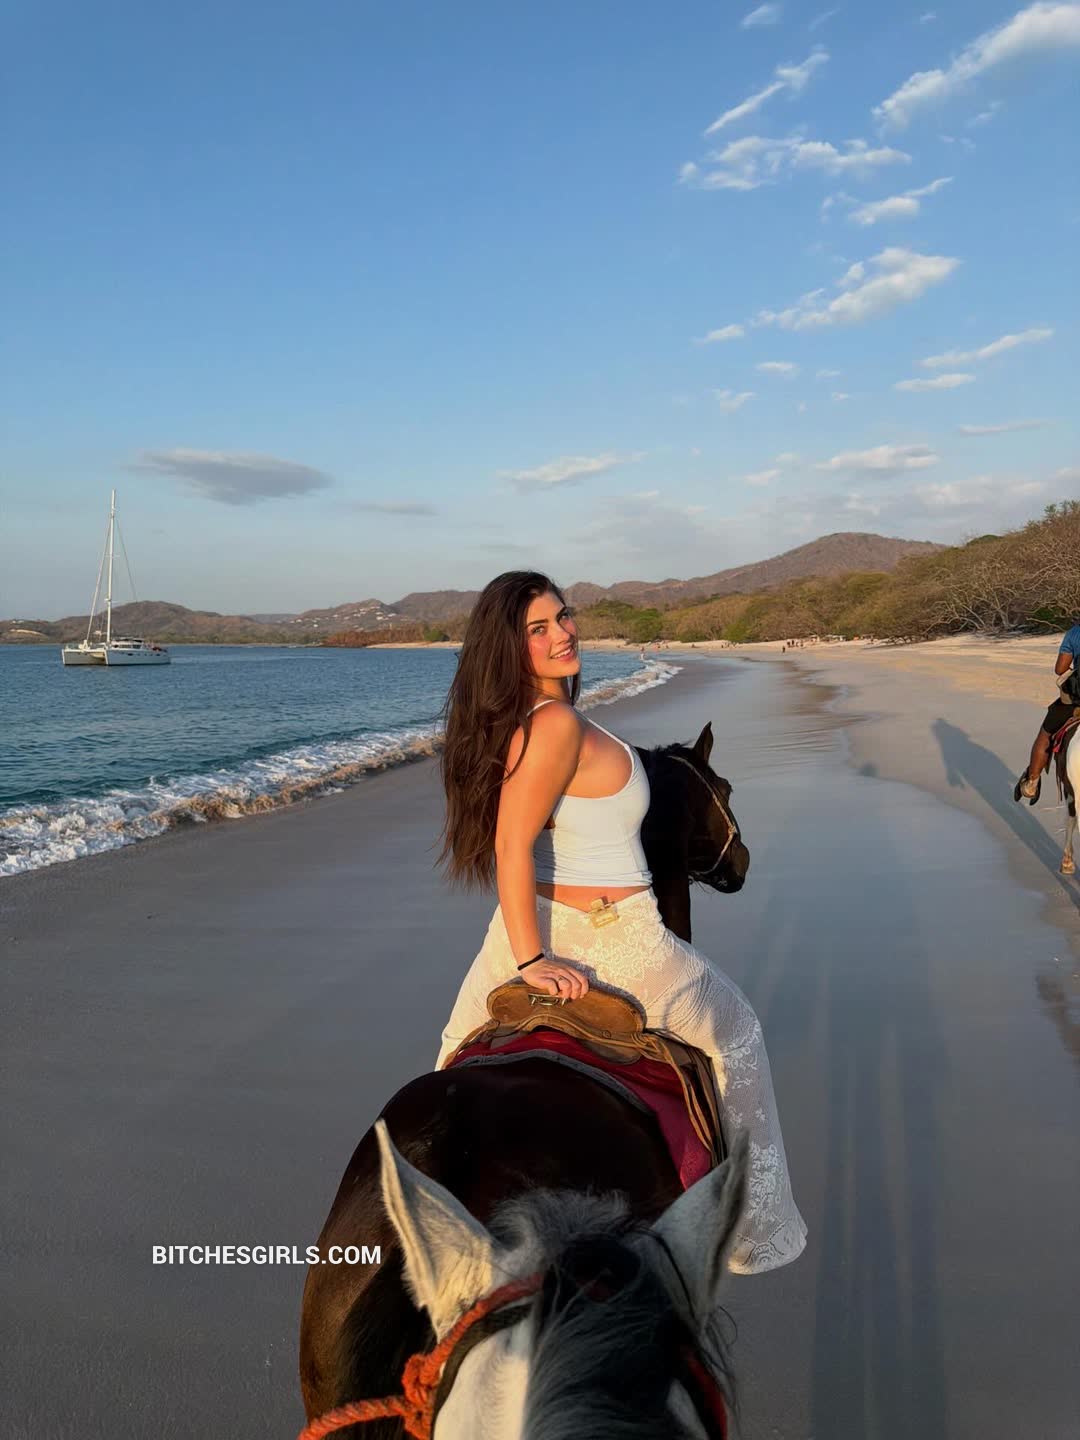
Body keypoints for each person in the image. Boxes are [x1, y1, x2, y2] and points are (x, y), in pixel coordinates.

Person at [434, 571, 807, 1275]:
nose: (562, 633)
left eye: (562, 616)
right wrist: (532, 964)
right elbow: (512, 844)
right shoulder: (555, 725)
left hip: (520, 930)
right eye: (538, 629)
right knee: (738, 1033)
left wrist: (520, 952)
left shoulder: (529, 721)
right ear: (508, 648)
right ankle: (753, 1232)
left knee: (452, 1054)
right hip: (614, 939)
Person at [1014, 622, 1080, 802]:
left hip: (1075, 702)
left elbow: (1060, 669)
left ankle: (1031, 783)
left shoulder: (1074, 633)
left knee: (1046, 734)